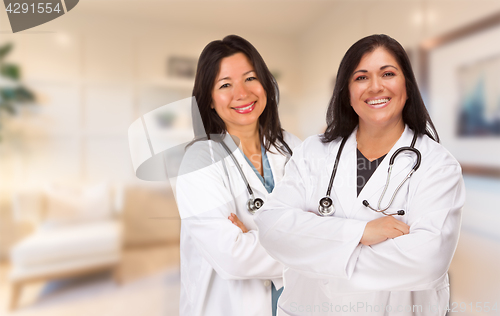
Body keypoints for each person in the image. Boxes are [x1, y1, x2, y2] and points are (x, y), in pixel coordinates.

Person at [254, 34, 465, 316]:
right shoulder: (313, 152)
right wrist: (361, 232)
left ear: (407, 86)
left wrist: (314, 246)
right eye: (361, 77)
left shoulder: (438, 165)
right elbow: (271, 227)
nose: (376, 87)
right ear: (347, 91)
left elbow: (427, 260)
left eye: (388, 74)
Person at [173, 35, 302, 316]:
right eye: (225, 85)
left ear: (266, 83)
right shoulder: (199, 161)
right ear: (208, 98)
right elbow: (233, 257)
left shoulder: (294, 147)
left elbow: (330, 218)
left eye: (250, 78)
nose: (241, 93)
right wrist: (314, 244)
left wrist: (253, 236)